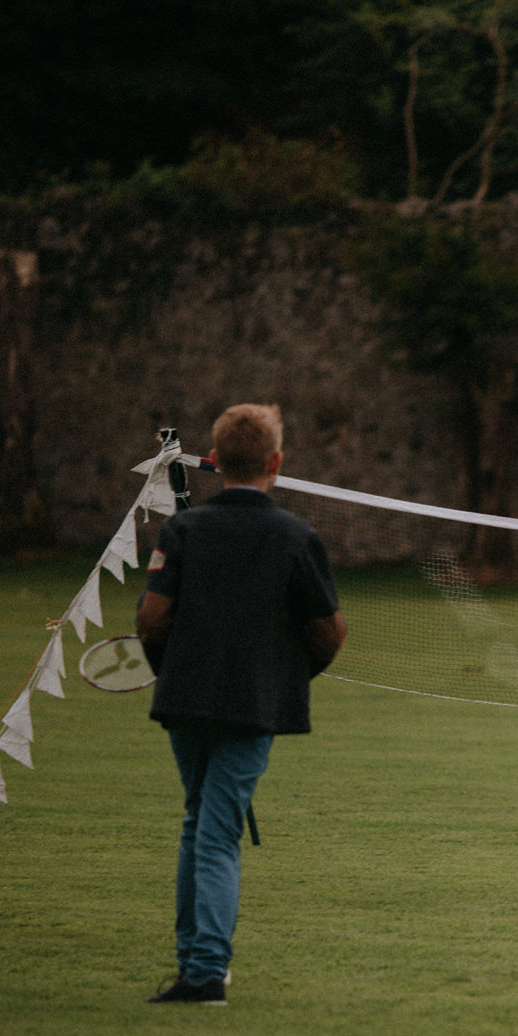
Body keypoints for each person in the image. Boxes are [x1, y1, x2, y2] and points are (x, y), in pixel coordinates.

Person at [136, 404, 347, 1004]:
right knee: (215, 832)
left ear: (216, 461)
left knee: (197, 825)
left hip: (185, 696)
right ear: (276, 463)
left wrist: (168, 668)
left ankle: (196, 966)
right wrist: (289, 677)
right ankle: (204, 972)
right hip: (253, 704)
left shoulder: (181, 531)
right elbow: (330, 631)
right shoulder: (297, 537)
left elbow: (152, 619)